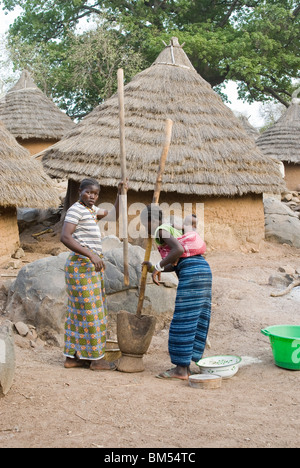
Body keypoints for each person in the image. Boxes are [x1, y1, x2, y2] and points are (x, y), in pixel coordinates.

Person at [60, 178, 127, 371]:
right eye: (89, 192)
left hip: (90, 267)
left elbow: (114, 215)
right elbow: (65, 236)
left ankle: (72, 358)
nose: (92, 196)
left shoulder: (90, 210)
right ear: (80, 191)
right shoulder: (75, 210)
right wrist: (91, 254)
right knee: (93, 313)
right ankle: (96, 360)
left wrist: (120, 193)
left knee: (78, 313)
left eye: (96, 194)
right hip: (81, 267)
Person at [141, 204, 212, 381]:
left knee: (183, 319)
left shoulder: (161, 230)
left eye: (144, 224)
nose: (146, 229)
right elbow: (178, 262)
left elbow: (178, 250)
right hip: (202, 270)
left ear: (150, 221)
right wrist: (155, 269)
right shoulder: (172, 230)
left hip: (192, 274)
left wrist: (158, 265)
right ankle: (186, 366)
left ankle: (180, 369)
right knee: (194, 318)